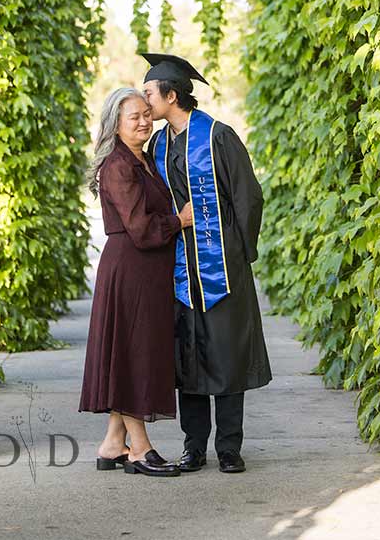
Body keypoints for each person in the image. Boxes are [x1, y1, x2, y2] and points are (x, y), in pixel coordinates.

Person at [140, 52, 272, 475]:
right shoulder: (158, 144)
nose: (145, 104)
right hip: (178, 270)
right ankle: (194, 446)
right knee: (188, 359)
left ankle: (229, 448)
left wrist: (236, 250)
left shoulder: (218, 136)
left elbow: (248, 197)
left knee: (228, 356)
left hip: (222, 267)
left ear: (171, 95)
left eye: (149, 94)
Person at [80, 88, 193, 477]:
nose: (145, 121)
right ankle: (139, 449)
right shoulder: (118, 166)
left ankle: (113, 443)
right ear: (116, 123)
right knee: (133, 355)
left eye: (148, 114)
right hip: (130, 270)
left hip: (144, 271)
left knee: (132, 353)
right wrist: (180, 220)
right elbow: (143, 229)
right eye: (135, 117)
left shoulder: (142, 160)